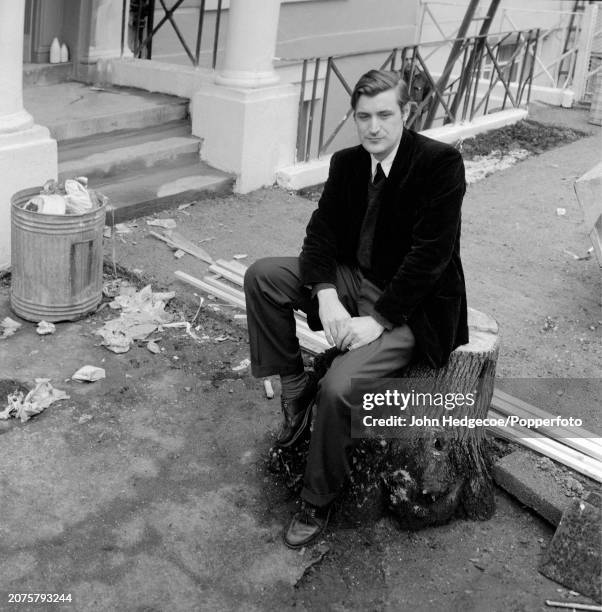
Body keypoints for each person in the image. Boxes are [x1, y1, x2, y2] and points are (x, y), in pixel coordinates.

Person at [244, 69, 468, 549]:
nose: (374, 127)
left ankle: (317, 499)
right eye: (363, 116)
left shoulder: (440, 163)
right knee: (263, 276)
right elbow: (320, 232)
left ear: (406, 113)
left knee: (341, 387)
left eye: (385, 115)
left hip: (413, 307)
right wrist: (324, 292)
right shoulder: (348, 163)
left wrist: (378, 319)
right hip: (353, 280)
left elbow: (432, 256)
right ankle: (293, 384)